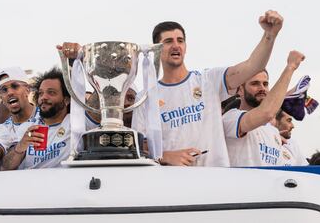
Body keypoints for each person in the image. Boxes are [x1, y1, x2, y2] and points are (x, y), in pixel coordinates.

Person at [58, 10, 284, 166]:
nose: (176, 45)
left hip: (215, 179)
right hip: (171, 185)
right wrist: (166, 156)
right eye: (168, 41)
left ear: (185, 46)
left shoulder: (207, 80)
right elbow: (140, 146)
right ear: (157, 48)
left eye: (180, 40)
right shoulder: (148, 95)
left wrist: (270, 35)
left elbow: (253, 66)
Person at [223, 51, 305, 166]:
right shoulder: (231, 118)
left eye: (265, 84)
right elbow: (267, 112)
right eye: (255, 83)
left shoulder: (273, 132)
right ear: (240, 90)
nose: (262, 88)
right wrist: (290, 67)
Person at [2, 67, 71, 170]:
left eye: (51, 92)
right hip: (29, 184)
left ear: (66, 100)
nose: (43, 97)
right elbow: (6, 167)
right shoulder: (27, 128)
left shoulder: (76, 123)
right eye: (41, 93)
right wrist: (20, 147)